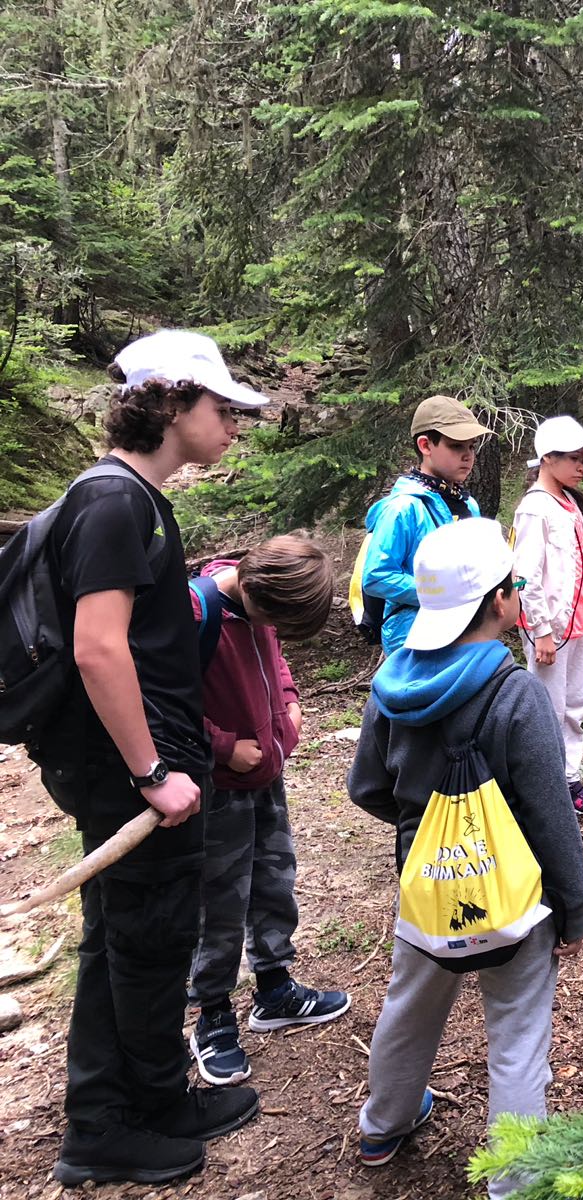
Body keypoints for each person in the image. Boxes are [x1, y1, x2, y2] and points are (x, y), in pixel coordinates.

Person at [33, 330, 265, 1187]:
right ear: (169, 403)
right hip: (126, 771)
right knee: (142, 942)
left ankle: (152, 1097)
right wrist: (151, 773)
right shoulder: (112, 503)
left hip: (139, 764)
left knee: (132, 938)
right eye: (221, 406)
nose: (234, 423)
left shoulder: (133, 498)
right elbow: (98, 648)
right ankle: (102, 1128)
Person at [346, 518, 583, 1196]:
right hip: (515, 898)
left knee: (410, 1006)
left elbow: (366, 787)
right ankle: (516, 1179)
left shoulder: (391, 683)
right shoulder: (516, 693)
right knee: (517, 1034)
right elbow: (550, 815)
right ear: (499, 600)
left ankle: (384, 1123)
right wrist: (572, 907)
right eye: (513, 584)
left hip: (427, 884)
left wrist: (426, 833)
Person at [187, 534, 348, 1089]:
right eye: (271, 619)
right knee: (220, 902)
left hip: (266, 779)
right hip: (219, 789)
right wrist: (222, 747)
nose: (271, 628)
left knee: (274, 882)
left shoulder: (264, 605)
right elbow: (160, 701)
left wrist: (291, 702)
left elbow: (275, 661)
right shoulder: (196, 613)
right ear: (254, 591)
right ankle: (212, 1016)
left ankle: (275, 988)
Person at [513, 415, 583, 816]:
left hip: (577, 623)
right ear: (548, 458)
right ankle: (544, 787)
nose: (582, 465)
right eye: (576, 458)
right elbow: (524, 575)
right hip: (551, 627)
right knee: (548, 707)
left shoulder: (570, 501)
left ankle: (568, 781)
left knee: (574, 703)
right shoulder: (535, 508)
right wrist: (541, 630)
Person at [360, 395, 491, 655]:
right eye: (456, 446)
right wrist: (442, 592)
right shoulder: (403, 508)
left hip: (464, 630)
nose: (468, 456)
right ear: (425, 445)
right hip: (413, 638)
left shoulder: (468, 504)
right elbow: (376, 577)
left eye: (471, 446)